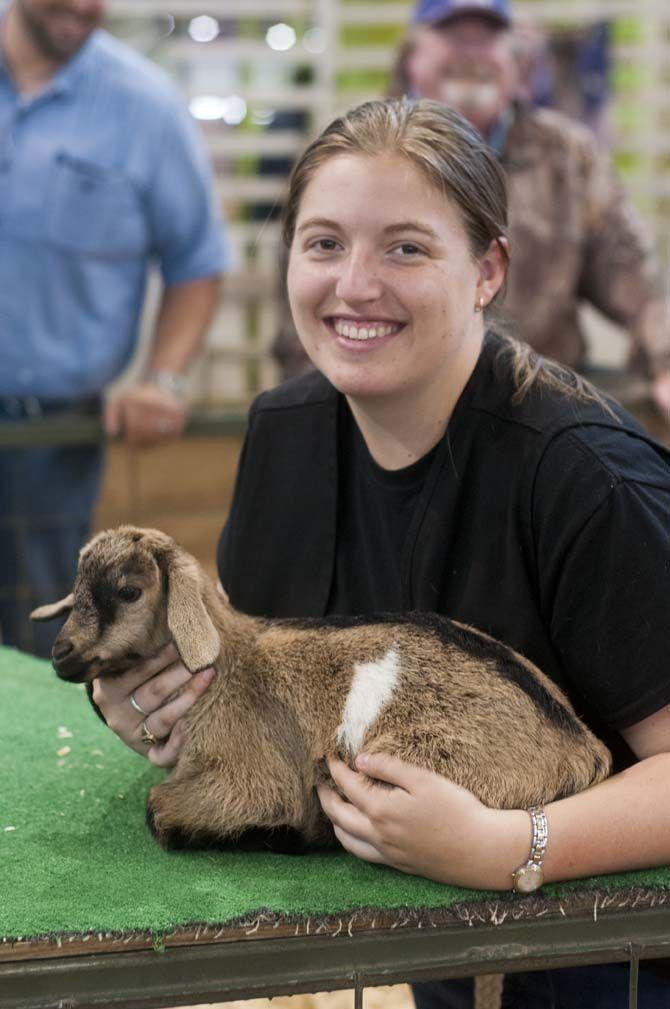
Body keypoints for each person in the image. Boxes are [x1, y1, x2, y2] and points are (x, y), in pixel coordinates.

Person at [90, 99, 670, 1007]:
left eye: (405, 248)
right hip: (418, 933)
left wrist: (510, 846)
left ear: (487, 271)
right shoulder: (282, 436)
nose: (354, 285)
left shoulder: (588, 478)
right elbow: (256, 702)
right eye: (323, 243)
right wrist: (157, 708)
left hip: (606, 954)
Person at [274, 0, 670, 425]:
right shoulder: (348, 158)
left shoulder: (568, 158)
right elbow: (307, 325)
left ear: (518, 65)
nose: (470, 53)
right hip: (385, 417)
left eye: (488, 37)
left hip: (539, 417)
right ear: (411, 57)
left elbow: (638, 281)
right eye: (452, 35)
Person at [0, 0, 232, 657]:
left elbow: (198, 263)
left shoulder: (145, 108)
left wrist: (162, 379)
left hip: (56, 435)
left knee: (40, 638)